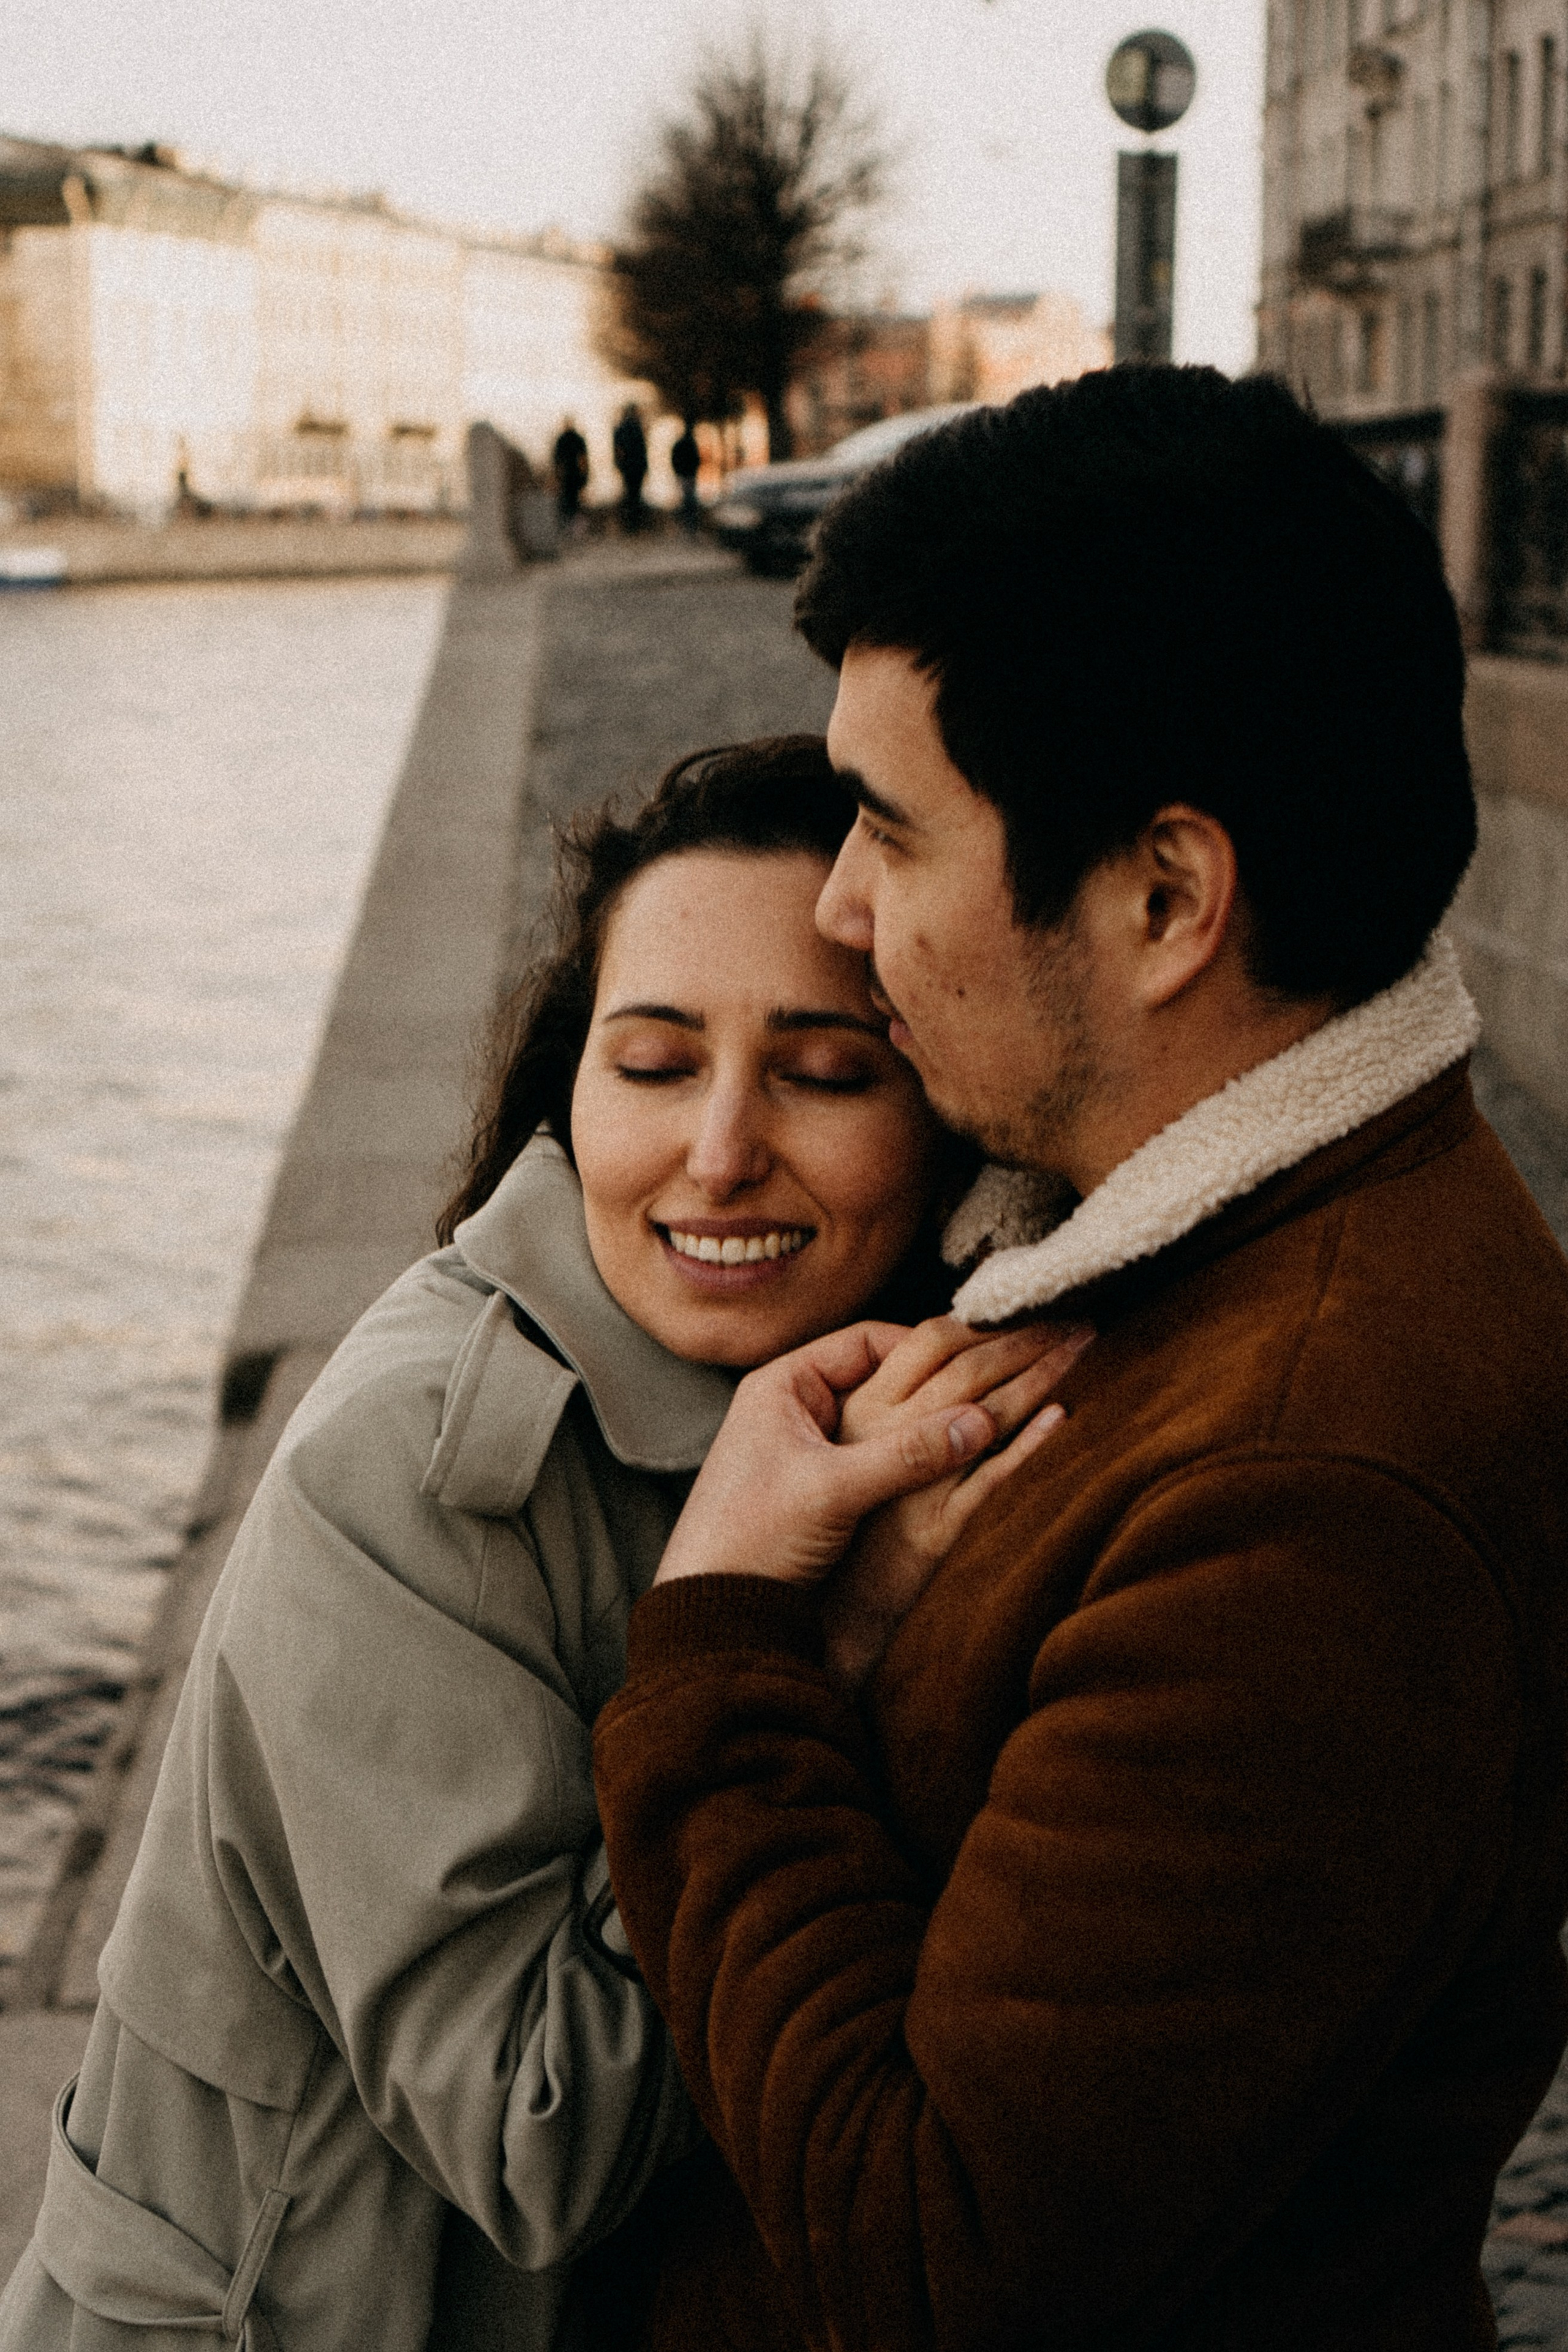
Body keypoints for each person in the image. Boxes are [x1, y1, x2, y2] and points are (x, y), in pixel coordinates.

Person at [592, 367, 1568, 2350]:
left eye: (890, 828)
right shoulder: (1213, 1262)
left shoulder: (1302, 1497)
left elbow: (935, 2267)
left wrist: (721, 1648)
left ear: (1164, 897)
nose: (845, 917)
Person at [0, 737, 1079, 2352]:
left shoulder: (894, 1375)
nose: (720, 1150)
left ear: (951, 1117)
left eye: (826, 1071)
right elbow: (538, 2137)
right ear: (571, 1086)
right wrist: (792, 1641)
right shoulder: (420, 1475)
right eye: (654, 1064)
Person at [612, 403, 649, 533]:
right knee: (635, 496)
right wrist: (645, 468)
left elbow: (618, 451)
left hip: (627, 468)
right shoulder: (637, 428)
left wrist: (619, 465)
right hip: (637, 467)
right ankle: (634, 524)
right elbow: (642, 451)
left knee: (629, 495)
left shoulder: (620, 429)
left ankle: (629, 525)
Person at [552, 417, 589, 532]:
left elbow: (582, 459)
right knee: (570, 501)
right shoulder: (571, 439)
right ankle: (570, 526)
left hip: (571, 476)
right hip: (571, 476)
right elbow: (559, 461)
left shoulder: (564, 440)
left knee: (571, 501)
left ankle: (572, 526)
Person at [670, 422, 703, 535]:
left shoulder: (680, 444)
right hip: (689, 475)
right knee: (689, 499)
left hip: (684, 475)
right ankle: (689, 523)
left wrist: (678, 472)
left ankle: (686, 522)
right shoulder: (691, 444)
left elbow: (674, 458)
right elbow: (697, 459)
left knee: (686, 499)